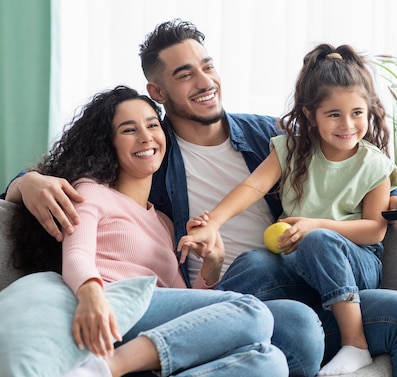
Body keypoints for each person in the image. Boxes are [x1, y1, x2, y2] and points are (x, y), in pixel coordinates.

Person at [4, 19, 397, 377]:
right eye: (184, 74)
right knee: (263, 276)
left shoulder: (267, 134)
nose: (203, 80)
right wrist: (24, 183)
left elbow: (340, 164)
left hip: (311, 274)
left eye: (206, 65)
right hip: (236, 290)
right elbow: (80, 176)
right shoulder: (151, 155)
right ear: (158, 92)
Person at [10, 86, 289, 377]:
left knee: (270, 361)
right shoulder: (90, 192)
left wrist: (211, 268)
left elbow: (186, 305)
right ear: (108, 143)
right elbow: (77, 253)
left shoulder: (164, 222)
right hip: (111, 307)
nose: (146, 136)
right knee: (253, 313)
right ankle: (103, 369)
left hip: (150, 331)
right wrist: (92, 295)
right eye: (129, 130)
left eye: (152, 125)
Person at [178, 43, 397, 375]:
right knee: (253, 261)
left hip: (354, 265)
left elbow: (375, 229)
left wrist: (316, 226)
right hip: (299, 265)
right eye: (334, 114)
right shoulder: (292, 149)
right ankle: (190, 329)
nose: (348, 124)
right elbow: (253, 187)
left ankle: (356, 344)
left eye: (357, 113)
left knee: (319, 240)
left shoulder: (375, 165)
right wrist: (214, 223)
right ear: (311, 115)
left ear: (369, 111)